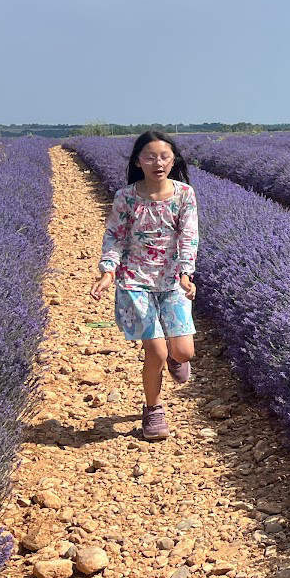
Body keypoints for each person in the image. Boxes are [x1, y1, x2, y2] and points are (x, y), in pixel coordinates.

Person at [89, 130, 199, 440]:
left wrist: (186, 274)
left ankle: (177, 357)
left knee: (184, 352)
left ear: (173, 159)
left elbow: (189, 237)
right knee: (156, 352)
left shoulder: (184, 194)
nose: (158, 162)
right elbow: (114, 236)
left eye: (164, 156)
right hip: (135, 280)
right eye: (150, 157)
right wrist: (107, 271)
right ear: (139, 162)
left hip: (172, 279)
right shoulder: (126, 196)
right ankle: (153, 410)